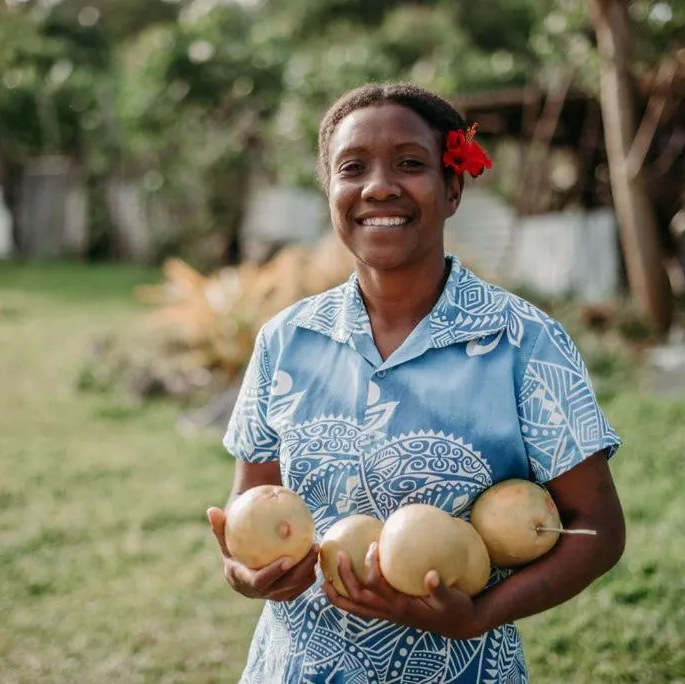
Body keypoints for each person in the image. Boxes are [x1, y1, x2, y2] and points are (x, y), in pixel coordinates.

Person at [206, 82, 626, 683]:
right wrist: (247, 574)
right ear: (330, 191)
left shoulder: (524, 342)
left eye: (409, 163)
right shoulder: (285, 341)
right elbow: (248, 519)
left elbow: (598, 529)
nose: (379, 186)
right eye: (353, 168)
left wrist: (479, 616)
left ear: (453, 188)